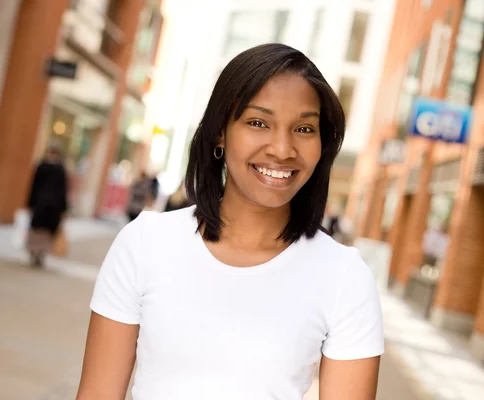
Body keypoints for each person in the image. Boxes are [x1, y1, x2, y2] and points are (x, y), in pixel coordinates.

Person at [76, 44, 383, 400]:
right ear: (221, 131)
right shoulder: (146, 243)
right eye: (258, 122)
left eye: (303, 129)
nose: (282, 149)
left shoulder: (345, 276)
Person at [26, 145, 68, 267]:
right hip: (48, 208)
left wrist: (31, 203)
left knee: (42, 231)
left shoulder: (48, 168)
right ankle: (38, 253)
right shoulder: (55, 169)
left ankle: (38, 253)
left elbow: (62, 190)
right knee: (42, 231)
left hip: (45, 207)